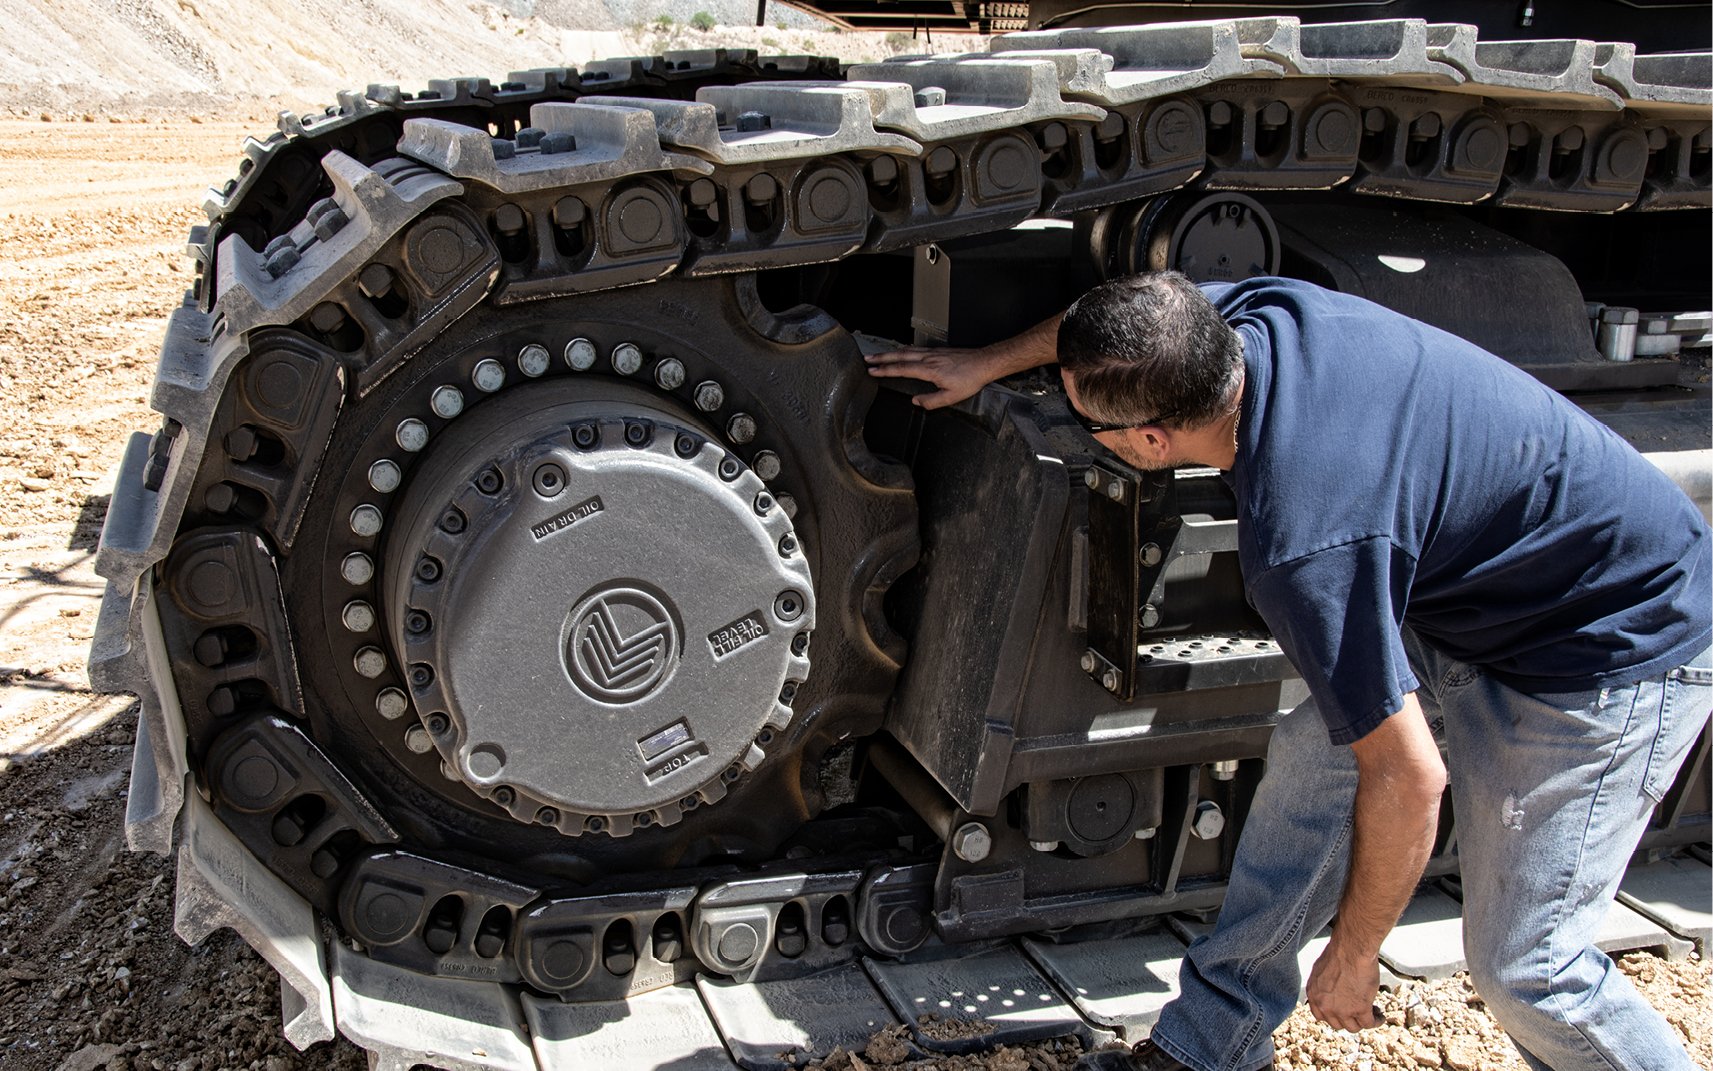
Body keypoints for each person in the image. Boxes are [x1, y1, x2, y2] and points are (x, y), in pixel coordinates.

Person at [866, 273, 1712, 1071]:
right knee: (1309, 769)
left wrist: (1352, 952)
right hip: (1496, 605)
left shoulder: (1303, 543)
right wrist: (987, 363)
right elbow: (1113, 319)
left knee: (1528, 968)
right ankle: (1211, 1042)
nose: (1076, 415)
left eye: (1085, 418)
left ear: (1149, 442)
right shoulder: (1250, 320)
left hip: (1614, 645)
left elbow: (1410, 778)